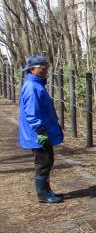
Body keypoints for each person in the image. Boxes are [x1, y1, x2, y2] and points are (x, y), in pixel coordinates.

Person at [18, 55, 64, 203]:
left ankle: (47, 190)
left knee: (48, 161)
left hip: (43, 130)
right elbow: (32, 113)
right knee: (43, 162)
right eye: (42, 69)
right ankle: (43, 194)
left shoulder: (37, 85)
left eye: (46, 69)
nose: (45, 71)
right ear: (32, 69)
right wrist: (40, 131)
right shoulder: (32, 87)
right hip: (38, 134)